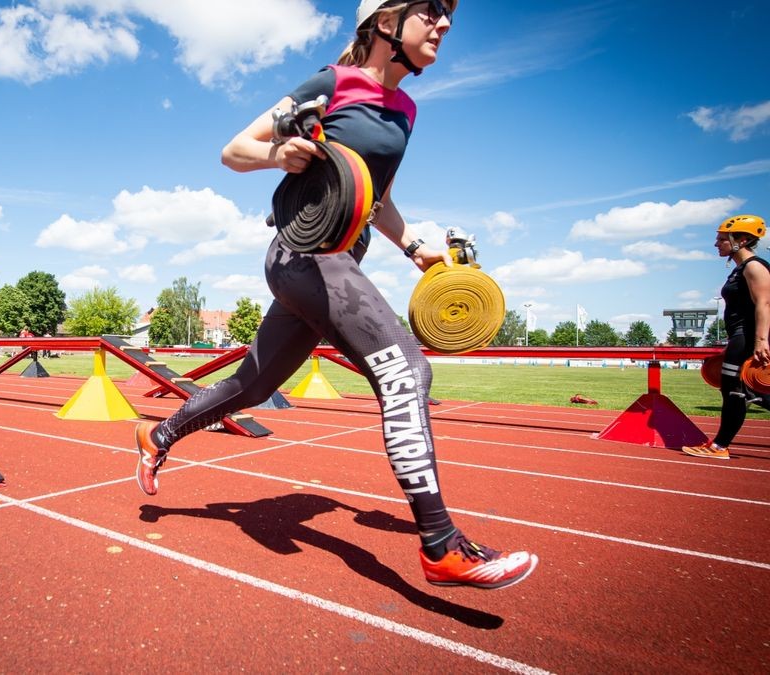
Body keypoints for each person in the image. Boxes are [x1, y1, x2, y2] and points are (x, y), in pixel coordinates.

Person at [133, 0, 537, 590]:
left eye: (449, 14)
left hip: (341, 261)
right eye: (432, 10)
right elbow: (234, 150)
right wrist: (279, 153)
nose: (445, 24)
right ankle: (442, 544)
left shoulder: (406, 111)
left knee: (255, 384)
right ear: (385, 23)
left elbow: (380, 195)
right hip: (301, 256)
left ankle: (158, 434)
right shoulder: (332, 82)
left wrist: (413, 245)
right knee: (405, 371)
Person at [684, 214, 770, 460]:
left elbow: (764, 304)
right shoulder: (740, 269)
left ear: (741, 240)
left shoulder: (754, 266)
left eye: (722, 239)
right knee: (740, 392)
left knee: (739, 392)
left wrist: (761, 341)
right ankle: (719, 446)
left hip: (747, 337)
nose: (716, 244)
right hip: (739, 338)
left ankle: (719, 447)